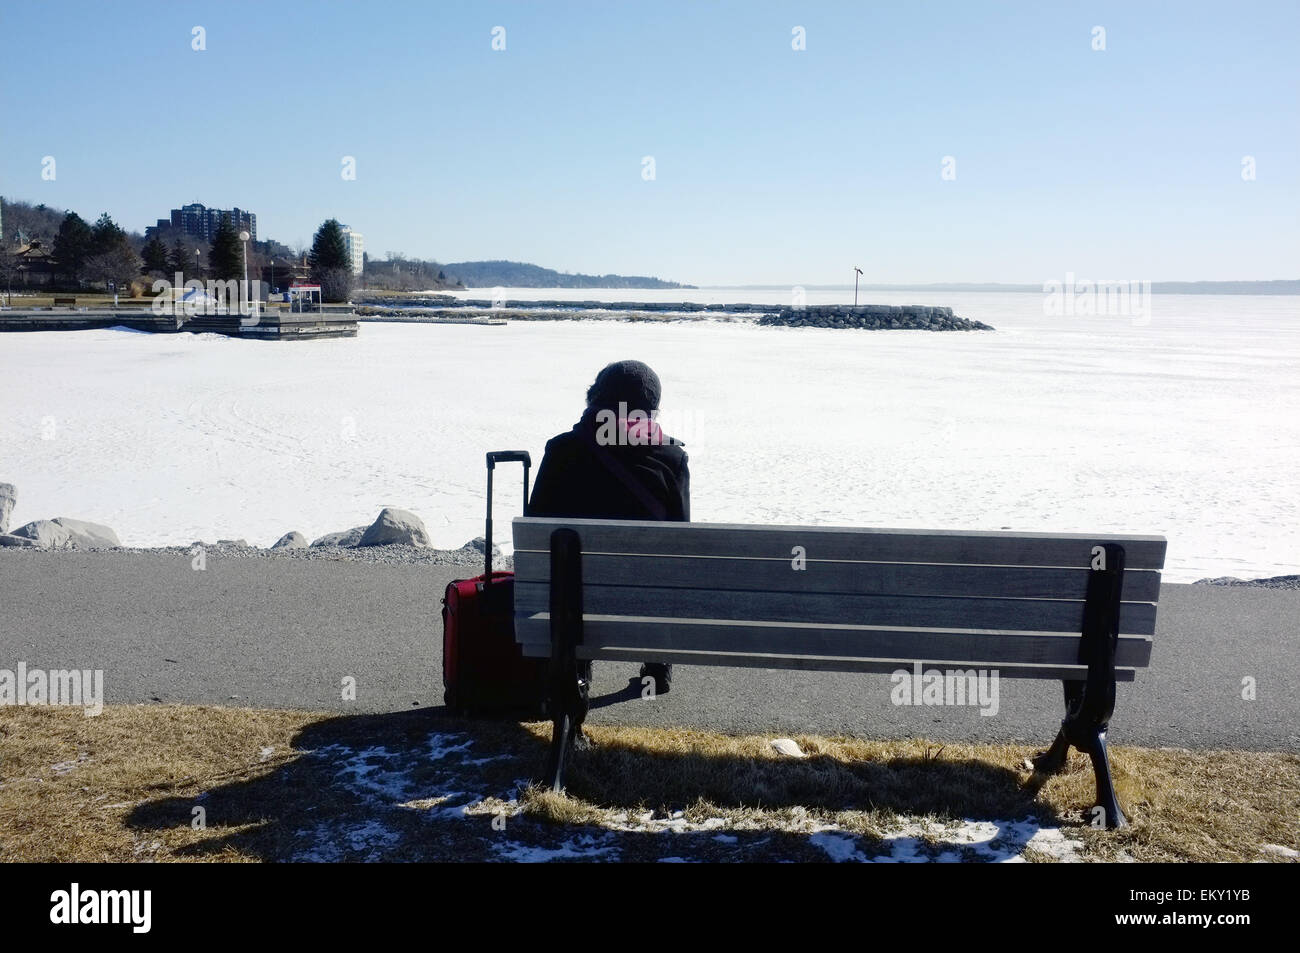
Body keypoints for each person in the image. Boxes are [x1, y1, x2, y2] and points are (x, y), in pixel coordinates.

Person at [528, 359, 689, 694]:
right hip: (645, 603)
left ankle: (577, 672)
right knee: (663, 573)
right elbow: (680, 542)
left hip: (573, 604)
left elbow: (536, 530)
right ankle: (657, 671)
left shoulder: (561, 451)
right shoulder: (671, 459)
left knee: (569, 572)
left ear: (594, 399)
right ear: (650, 412)